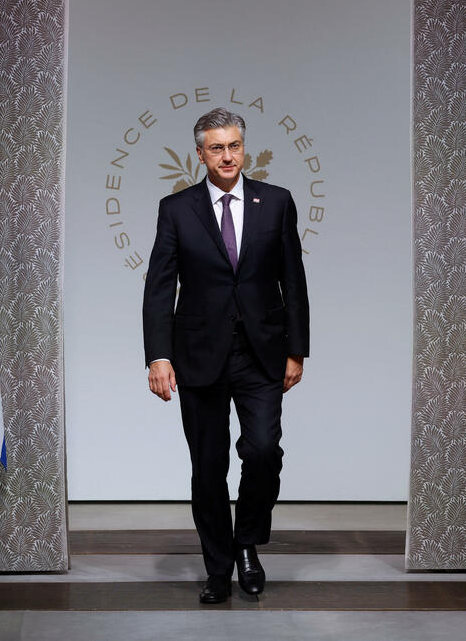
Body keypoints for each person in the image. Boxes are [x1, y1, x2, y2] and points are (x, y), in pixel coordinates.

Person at [142, 107, 310, 603]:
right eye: (216, 148)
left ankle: (246, 543)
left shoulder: (276, 202)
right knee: (208, 466)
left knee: (262, 451)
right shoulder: (176, 209)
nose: (227, 155)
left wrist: (296, 350)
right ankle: (218, 568)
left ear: (244, 148)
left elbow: (293, 282)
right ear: (200, 155)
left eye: (234, 145)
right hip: (198, 355)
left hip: (262, 354)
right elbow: (159, 288)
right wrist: (158, 356)